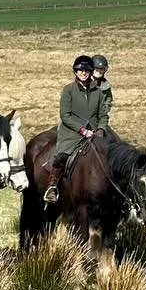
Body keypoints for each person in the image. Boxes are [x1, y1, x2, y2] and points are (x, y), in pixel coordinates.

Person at [42, 55, 107, 204]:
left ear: (91, 72)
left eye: (86, 70)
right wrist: (83, 130)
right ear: (75, 72)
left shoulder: (98, 92)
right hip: (72, 133)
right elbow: (65, 115)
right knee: (61, 156)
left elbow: (103, 114)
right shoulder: (68, 90)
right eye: (80, 70)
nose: (83, 73)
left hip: (95, 133)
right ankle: (52, 186)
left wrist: (101, 129)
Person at [92, 54, 112, 131]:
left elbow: (108, 102)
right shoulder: (82, 83)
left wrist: (101, 116)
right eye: (96, 69)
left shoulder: (106, 86)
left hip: (98, 120)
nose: (99, 71)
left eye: (101, 69)